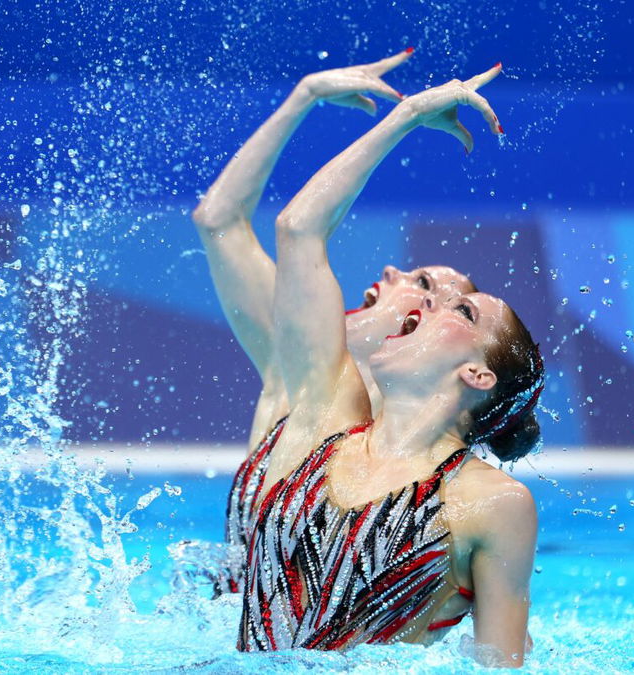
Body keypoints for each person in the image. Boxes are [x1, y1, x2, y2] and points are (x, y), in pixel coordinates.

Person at [237, 61, 543, 668]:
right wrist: (405, 117)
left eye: (462, 311)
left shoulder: (493, 503)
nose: (433, 300)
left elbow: (500, 664)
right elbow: (298, 229)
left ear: (477, 375)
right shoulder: (324, 416)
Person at [190, 48, 476, 588]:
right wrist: (305, 96)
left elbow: (300, 229)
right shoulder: (291, 369)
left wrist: (406, 116)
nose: (393, 269)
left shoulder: (418, 446)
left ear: (423, 329)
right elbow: (219, 220)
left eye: (421, 286)